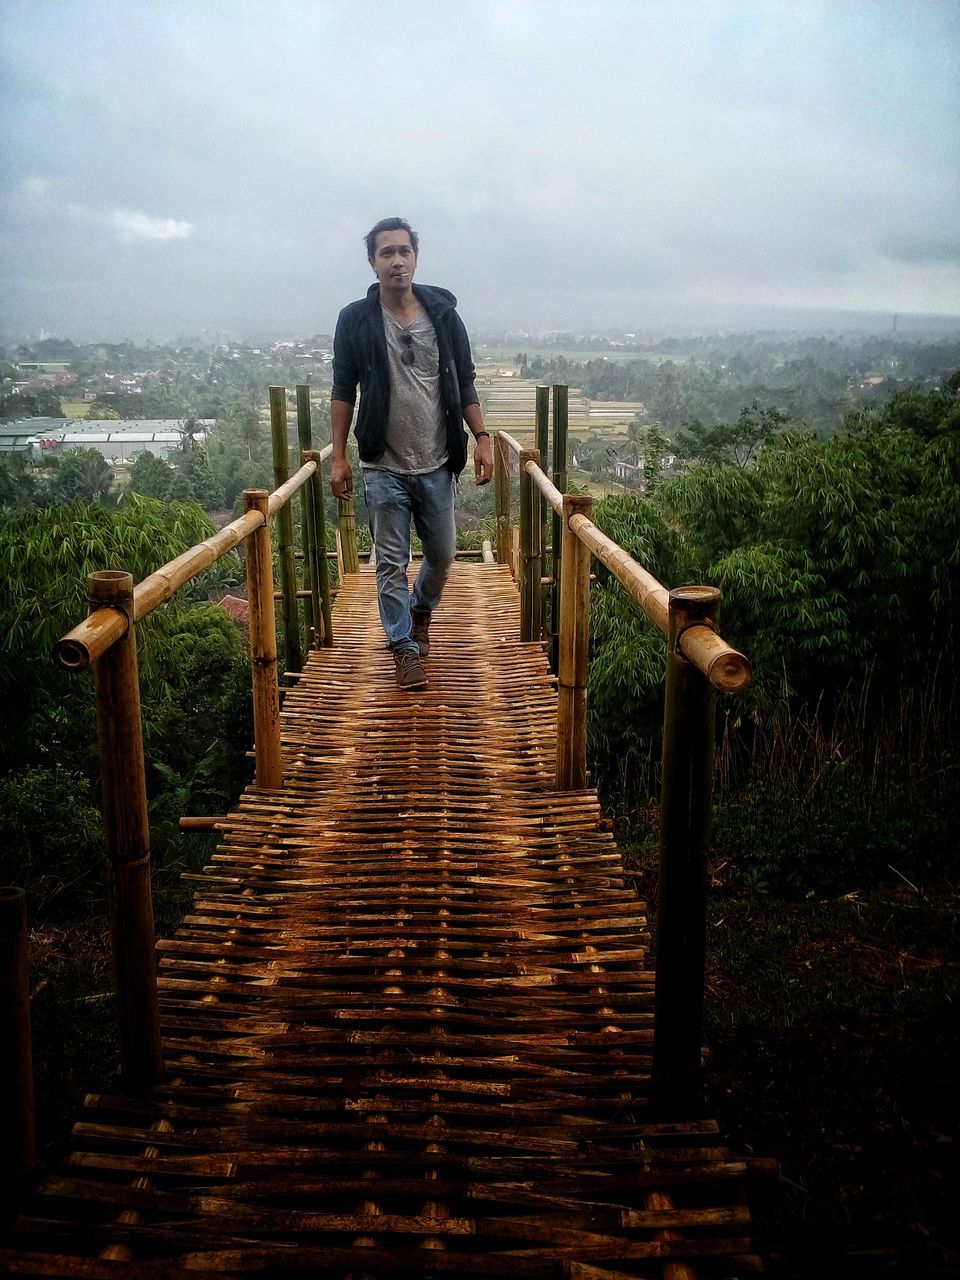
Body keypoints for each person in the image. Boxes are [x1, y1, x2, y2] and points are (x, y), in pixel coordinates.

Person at [329, 217, 494, 690]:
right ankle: (402, 648)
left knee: (442, 555)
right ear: (372, 262)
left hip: (438, 461)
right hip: (383, 463)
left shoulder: (442, 314)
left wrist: (481, 437)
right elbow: (343, 389)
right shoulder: (355, 320)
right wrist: (338, 456)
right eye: (387, 253)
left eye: (404, 251)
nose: (397, 260)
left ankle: (421, 613)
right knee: (390, 562)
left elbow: (464, 380)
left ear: (416, 257)